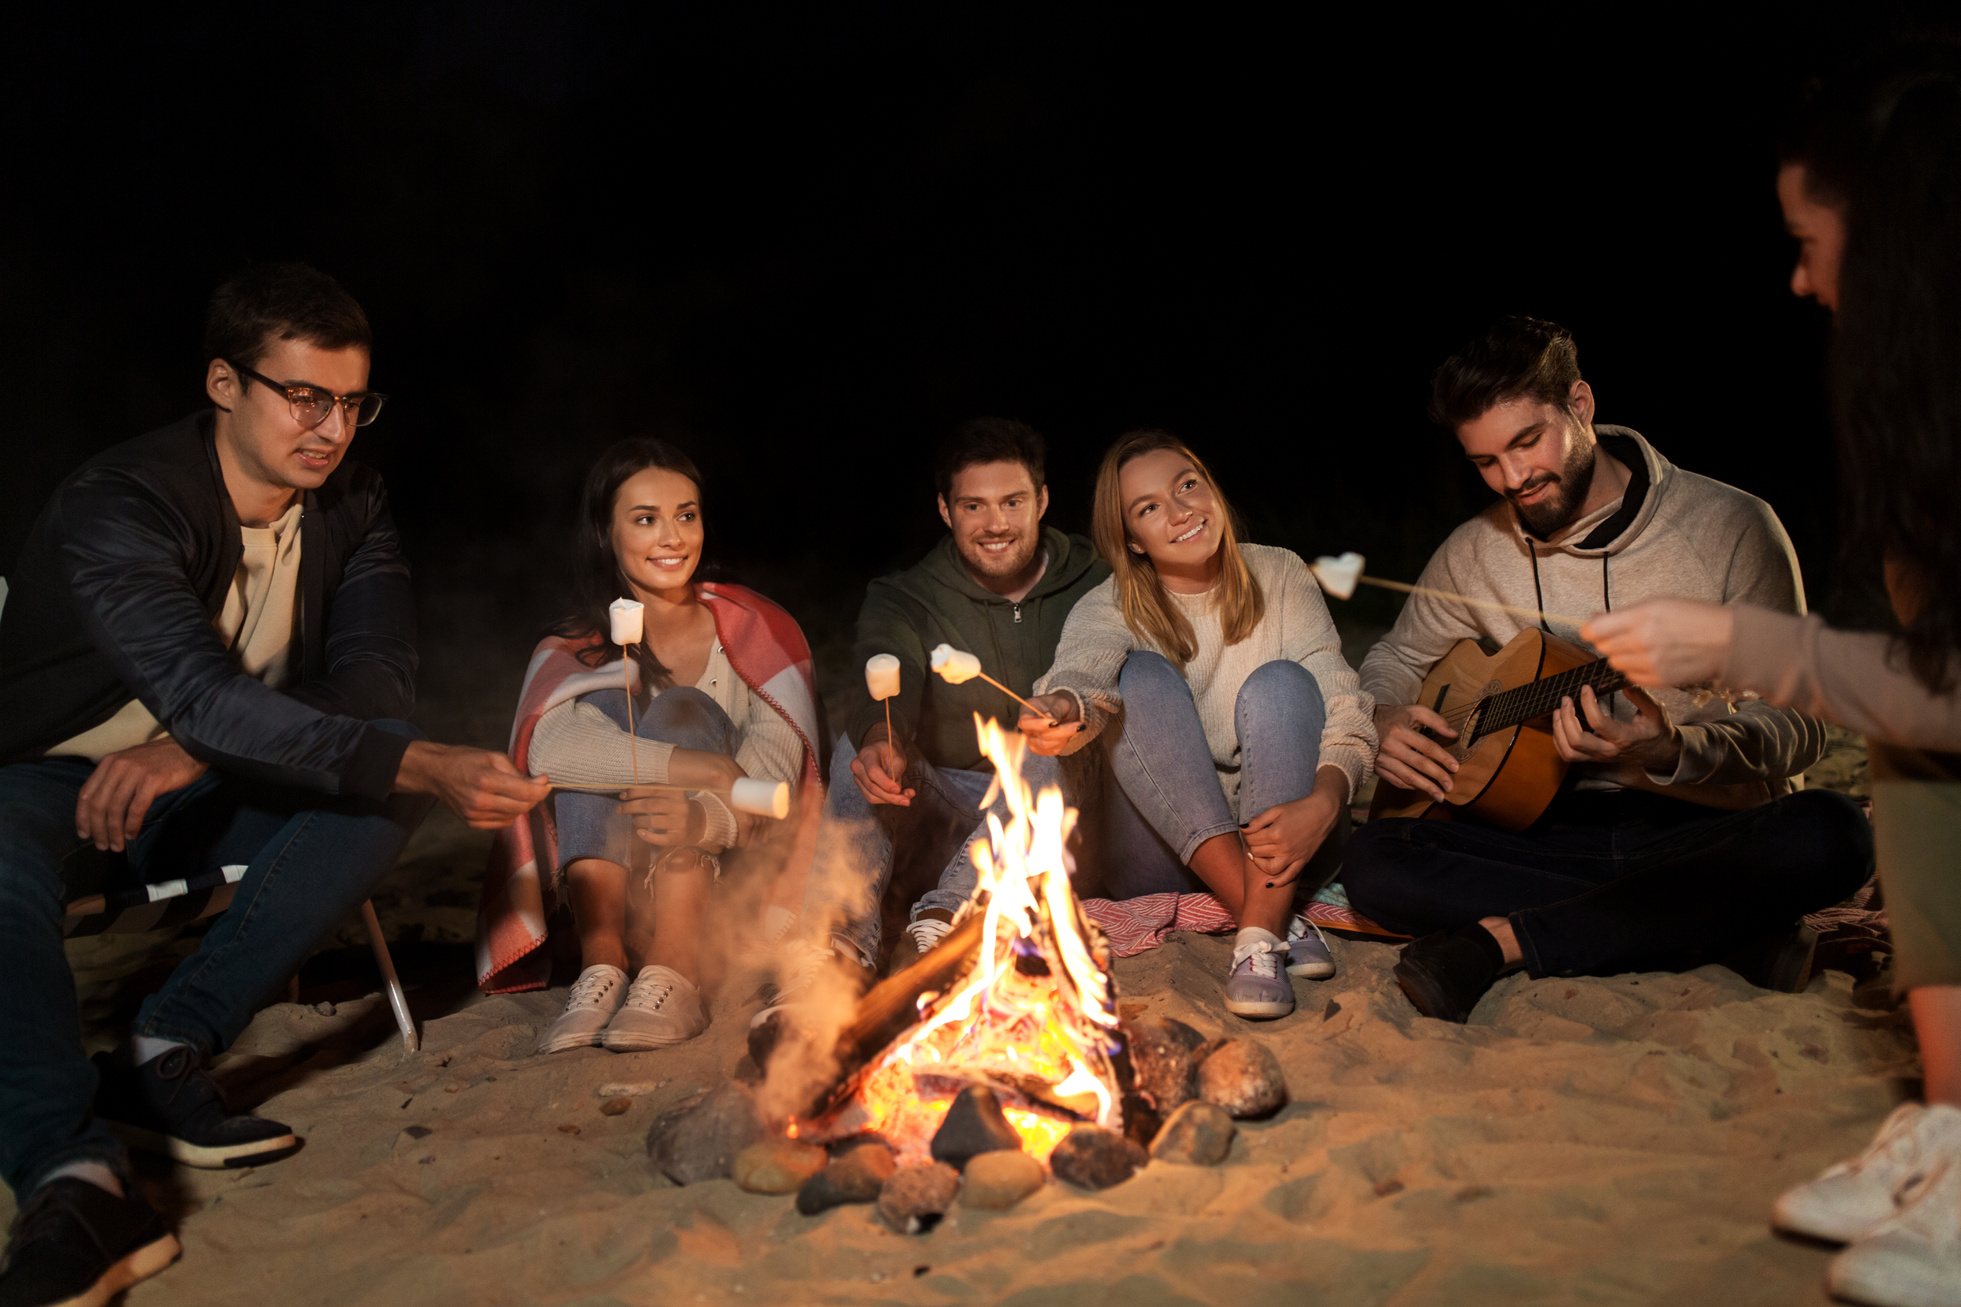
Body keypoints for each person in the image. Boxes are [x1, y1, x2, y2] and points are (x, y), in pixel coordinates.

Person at [0, 264, 550, 1307]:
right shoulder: (120, 503)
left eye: (351, 402)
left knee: (382, 770)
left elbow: (373, 680)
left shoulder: (352, 500)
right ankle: (73, 1175)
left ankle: (166, 1045)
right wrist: (220, 728)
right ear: (222, 382)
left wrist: (193, 750)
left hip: (209, 777)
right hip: (49, 781)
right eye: (304, 396)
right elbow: (199, 685)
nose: (332, 429)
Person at [1585, 44, 1961, 1305]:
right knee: (1905, 750)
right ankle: (1951, 1122)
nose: (1798, 277)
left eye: (1810, 237)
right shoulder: (1925, 417)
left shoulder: (1724, 517)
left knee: (1838, 799)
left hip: (1752, 803)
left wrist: (1740, 652)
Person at [1342, 315, 1873, 1027]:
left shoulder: (1732, 527)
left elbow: (1802, 725)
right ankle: (1717, 929)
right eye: (1484, 462)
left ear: (1580, 406)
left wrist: (1671, 750)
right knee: (1375, 859)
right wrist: (1379, 716)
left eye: (1526, 442)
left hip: (1691, 824)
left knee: (1832, 831)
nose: (1511, 479)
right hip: (1538, 831)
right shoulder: (1472, 551)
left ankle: (1508, 937)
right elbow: (1393, 658)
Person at [475, 440, 824, 1055]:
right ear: (605, 535)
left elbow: (774, 784)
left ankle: (676, 971)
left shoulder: (758, 632)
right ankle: (602, 965)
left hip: (730, 891)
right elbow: (547, 752)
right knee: (600, 715)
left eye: (685, 515)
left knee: (681, 707)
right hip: (617, 886)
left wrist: (701, 813)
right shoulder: (574, 649)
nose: (672, 537)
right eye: (645, 519)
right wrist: (703, 767)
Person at [1018, 430, 1376, 1020]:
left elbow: (1345, 702)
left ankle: (1258, 924)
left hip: (1284, 836)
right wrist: (1064, 705)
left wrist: (1326, 801)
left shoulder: (1281, 573)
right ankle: (1266, 923)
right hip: (1160, 852)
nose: (1181, 511)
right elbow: (1085, 676)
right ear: (1131, 540)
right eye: (1150, 508)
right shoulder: (1108, 606)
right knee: (1139, 679)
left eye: (1188, 486)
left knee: (1284, 682)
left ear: (1211, 488)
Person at [770, 418, 1109, 1008]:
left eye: (1012, 502)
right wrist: (884, 735)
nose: (996, 524)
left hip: (1056, 817)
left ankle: (947, 927)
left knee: (1045, 750)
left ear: (1043, 500)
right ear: (946, 511)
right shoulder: (907, 595)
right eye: (974, 505)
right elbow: (886, 660)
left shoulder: (1096, 579)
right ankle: (835, 946)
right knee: (860, 748)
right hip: (944, 806)